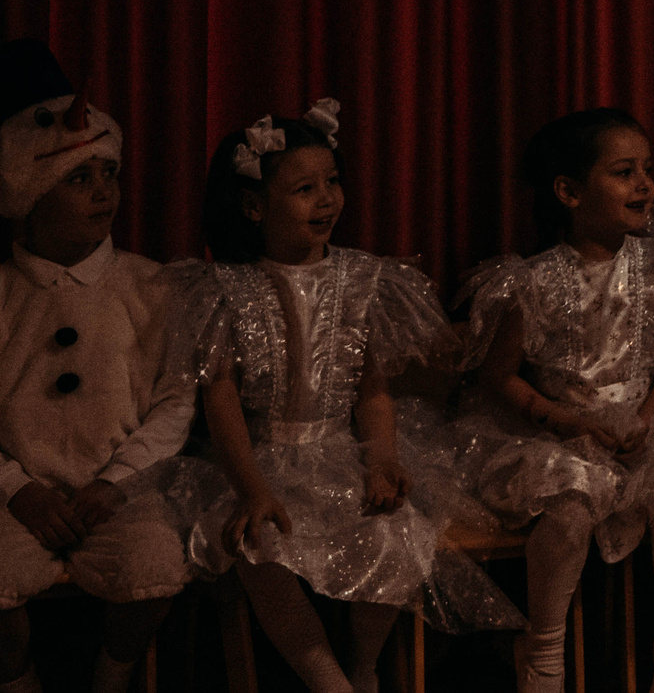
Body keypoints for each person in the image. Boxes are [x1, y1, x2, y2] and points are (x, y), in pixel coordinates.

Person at [168, 102, 515, 693]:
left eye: (333, 183)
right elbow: (219, 399)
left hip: (339, 451)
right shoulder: (223, 287)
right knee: (260, 547)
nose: (327, 199)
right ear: (253, 206)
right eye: (305, 189)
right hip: (257, 461)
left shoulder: (364, 279)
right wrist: (252, 489)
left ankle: (363, 666)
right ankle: (326, 679)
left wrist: (381, 459)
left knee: (394, 534)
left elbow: (372, 392)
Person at [461, 109, 654, 693]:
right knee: (571, 505)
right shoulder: (529, 281)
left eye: (648, 170)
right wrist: (568, 419)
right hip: (558, 433)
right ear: (569, 192)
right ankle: (545, 652)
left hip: (645, 426)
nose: (645, 185)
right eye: (625, 172)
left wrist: (649, 414)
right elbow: (500, 379)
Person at [0, 43, 190, 693]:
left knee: (157, 561)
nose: (103, 190)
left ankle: (112, 678)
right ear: (28, 192)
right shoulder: (4, 293)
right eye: (79, 177)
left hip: (118, 490)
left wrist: (118, 479)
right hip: (16, 494)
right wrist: (15, 486)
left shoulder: (151, 285)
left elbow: (175, 400)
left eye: (108, 173)